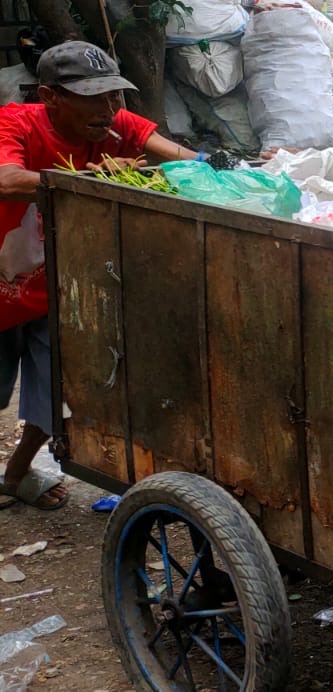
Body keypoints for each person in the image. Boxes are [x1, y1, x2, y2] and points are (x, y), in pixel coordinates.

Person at [0, 41, 196, 509]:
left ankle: (16, 473)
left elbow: (185, 160)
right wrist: (93, 178)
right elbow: (7, 180)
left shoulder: (114, 123)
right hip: (5, 281)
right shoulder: (16, 122)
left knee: (57, 392)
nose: (108, 108)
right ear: (49, 97)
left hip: (55, 287)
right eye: (92, 97)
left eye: (113, 94)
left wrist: (218, 168)